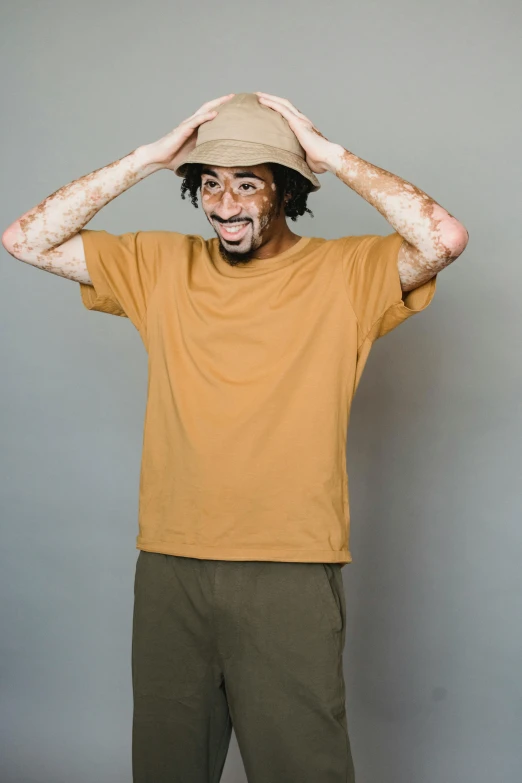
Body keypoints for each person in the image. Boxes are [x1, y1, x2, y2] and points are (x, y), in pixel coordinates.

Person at [2, 91, 468, 782]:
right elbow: (24, 239)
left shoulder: (347, 274)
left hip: (288, 566)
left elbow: (443, 239)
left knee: (302, 768)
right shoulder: (157, 264)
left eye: (248, 182)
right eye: (210, 182)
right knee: (165, 768)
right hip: (169, 563)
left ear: (287, 190)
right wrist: (150, 157)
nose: (225, 203)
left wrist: (330, 154)